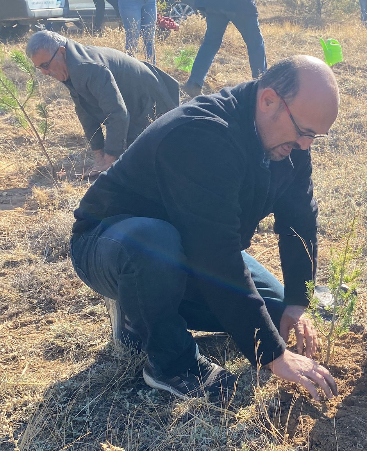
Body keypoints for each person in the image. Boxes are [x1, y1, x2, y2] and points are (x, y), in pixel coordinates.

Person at [69, 55, 339, 402]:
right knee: (155, 244)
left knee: (274, 314)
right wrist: (273, 356)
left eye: (315, 136)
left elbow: (299, 220)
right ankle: (171, 362)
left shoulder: (289, 141)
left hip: (191, 247)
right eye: (304, 132)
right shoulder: (203, 134)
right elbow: (216, 254)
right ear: (268, 100)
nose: (306, 145)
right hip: (111, 243)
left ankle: (149, 307)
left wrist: (297, 304)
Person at [26, 31, 179, 178]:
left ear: (61, 51)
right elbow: (85, 112)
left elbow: (117, 114)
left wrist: (109, 159)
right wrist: (99, 156)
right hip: (131, 105)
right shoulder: (69, 64)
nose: (44, 73)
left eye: (45, 65)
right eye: (39, 67)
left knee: (133, 162)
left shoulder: (87, 67)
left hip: (154, 106)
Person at [183, 0, 267, 97]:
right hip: (240, 5)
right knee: (255, 44)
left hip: (214, 4)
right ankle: (261, 85)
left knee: (210, 43)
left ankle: (194, 83)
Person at [117, 0, 156, 65]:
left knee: (150, 39)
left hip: (150, 2)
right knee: (132, 40)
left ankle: (153, 70)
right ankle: (131, 71)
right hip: (130, 2)